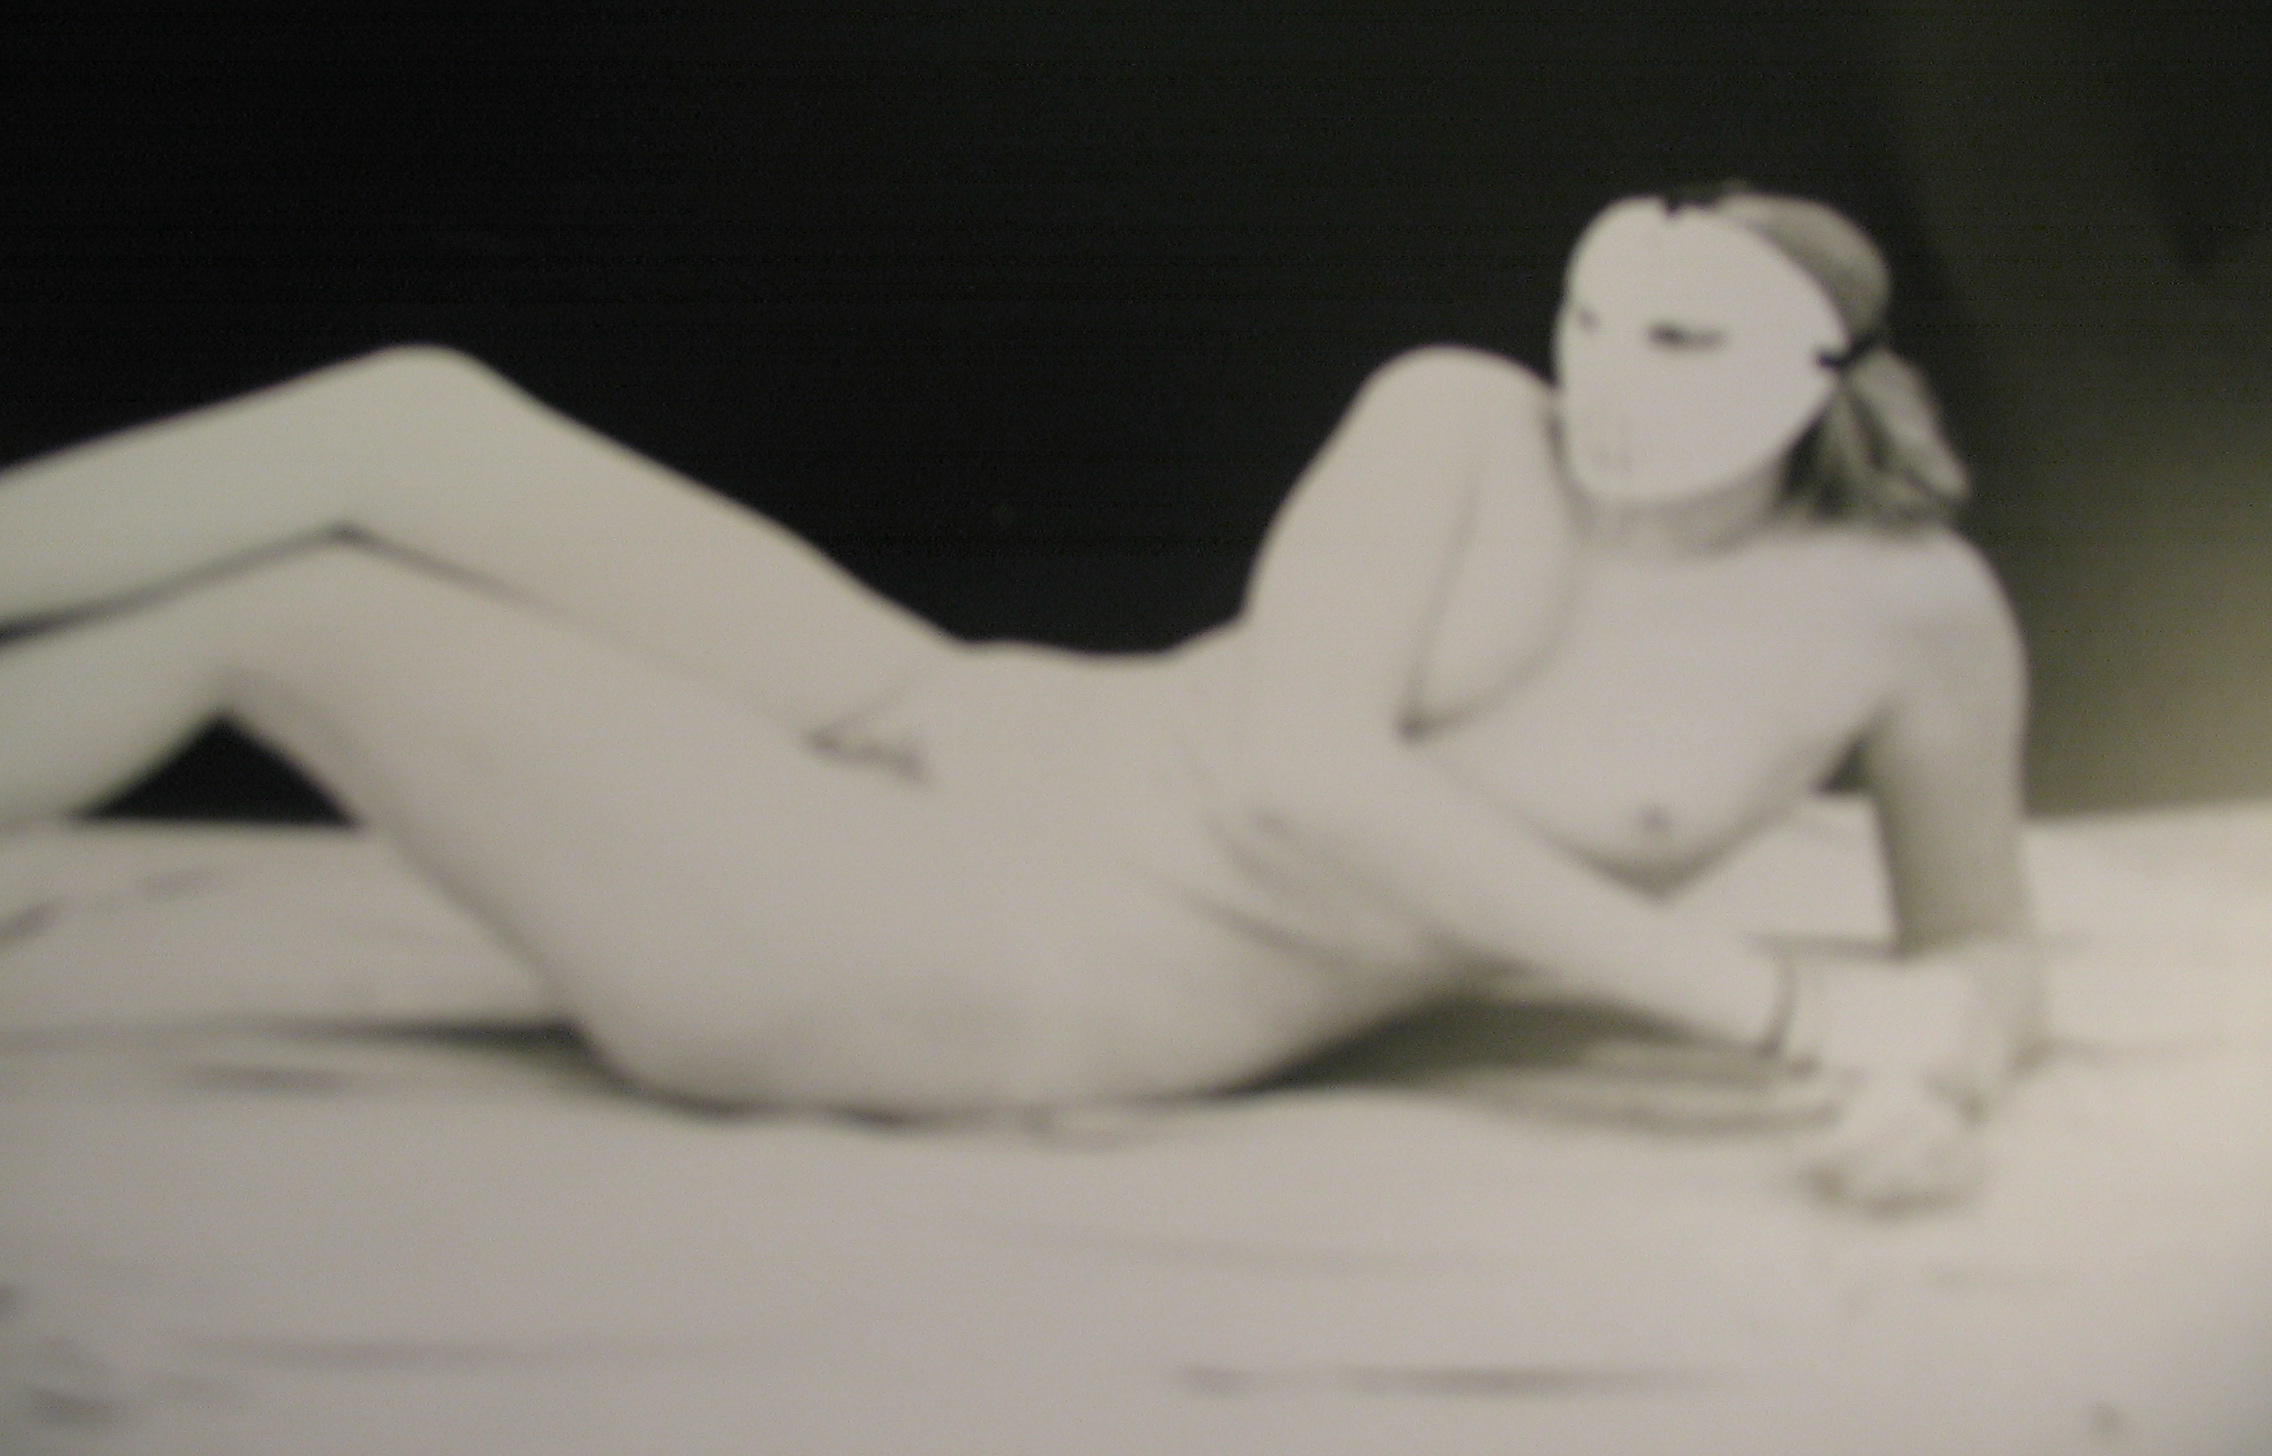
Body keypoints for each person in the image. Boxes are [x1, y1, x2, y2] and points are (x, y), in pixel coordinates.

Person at [0, 185, 2040, 1206]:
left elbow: (1978, 945)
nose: (1605, 379)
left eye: (1680, 346)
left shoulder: (1907, 618)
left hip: (973, 957)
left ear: (1821, 388)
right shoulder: (1459, 414)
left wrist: (1932, 1065)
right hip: (962, 722)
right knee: (407, 419)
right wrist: (1786, 1010)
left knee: (296, 615)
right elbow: (1307, 765)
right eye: (1589, 319)